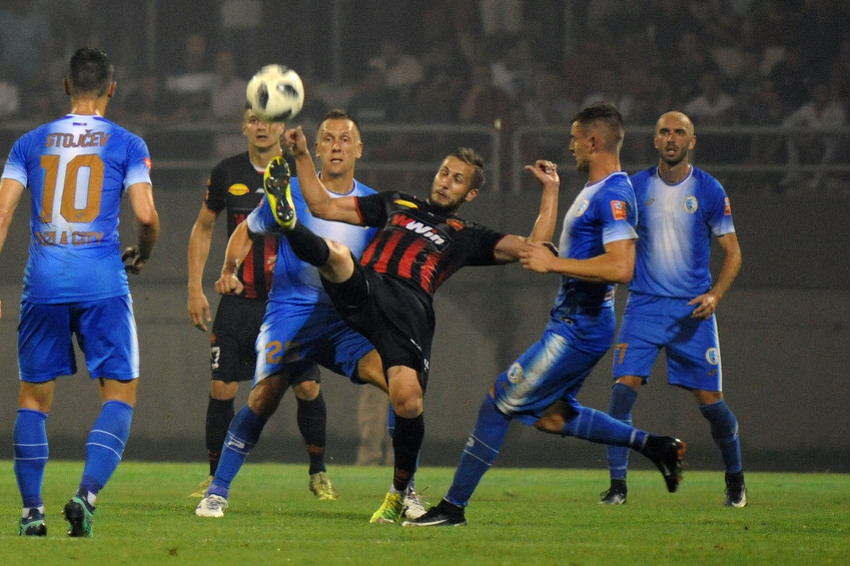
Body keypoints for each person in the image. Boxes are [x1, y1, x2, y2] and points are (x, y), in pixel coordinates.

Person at [264, 119, 563, 526]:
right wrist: (300, 155)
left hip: (409, 312)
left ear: (470, 194)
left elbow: (535, 251)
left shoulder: (465, 233)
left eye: (457, 180)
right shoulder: (395, 202)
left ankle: (398, 494)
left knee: (407, 400)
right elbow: (323, 204)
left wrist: (550, 191)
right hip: (368, 286)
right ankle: (289, 224)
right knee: (335, 253)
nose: (445, 182)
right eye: (443, 172)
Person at [404, 102, 686, 528]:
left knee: (496, 403)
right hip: (574, 322)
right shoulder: (595, 189)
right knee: (554, 416)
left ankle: (453, 508)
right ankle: (655, 446)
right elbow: (547, 250)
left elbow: (621, 267)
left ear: (593, 141)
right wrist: (551, 192)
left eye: (575, 139)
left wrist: (555, 265)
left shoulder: (613, 194)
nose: (570, 147)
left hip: (580, 327)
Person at [195, 110, 424, 520]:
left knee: (401, 386)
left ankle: (406, 492)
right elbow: (247, 228)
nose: (336, 146)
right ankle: (217, 491)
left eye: (344, 139)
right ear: (316, 149)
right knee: (262, 399)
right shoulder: (291, 194)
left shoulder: (371, 206)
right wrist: (228, 270)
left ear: (358, 149)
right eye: (329, 139)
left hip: (344, 320)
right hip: (291, 312)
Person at [0, 47, 160, 537]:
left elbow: (2, 214)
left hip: (44, 283)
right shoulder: (128, 144)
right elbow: (148, 216)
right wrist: (144, 250)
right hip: (102, 283)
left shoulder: (29, 143)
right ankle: (85, 496)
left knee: (32, 398)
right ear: (112, 89)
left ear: (66, 86)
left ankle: (31, 514)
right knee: (120, 393)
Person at [187, 104, 337, 501]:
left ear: (281, 127)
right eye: (253, 119)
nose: (261, 127)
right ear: (243, 126)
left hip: (289, 303)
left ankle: (318, 471)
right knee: (222, 387)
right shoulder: (226, 173)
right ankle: (214, 476)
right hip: (239, 301)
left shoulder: (299, 173)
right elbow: (203, 228)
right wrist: (195, 287)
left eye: (268, 120)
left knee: (306, 387)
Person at [598, 110, 745, 508]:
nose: (671, 138)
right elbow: (615, 240)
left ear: (691, 142)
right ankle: (618, 487)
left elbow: (733, 253)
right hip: (643, 307)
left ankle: (735, 479)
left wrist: (715, 295)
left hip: (691, 312)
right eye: (664, 131)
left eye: (679, 132)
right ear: (655, 139)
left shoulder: (710, 190)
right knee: (620, 395)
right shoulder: (635, 187)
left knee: (712, 405)